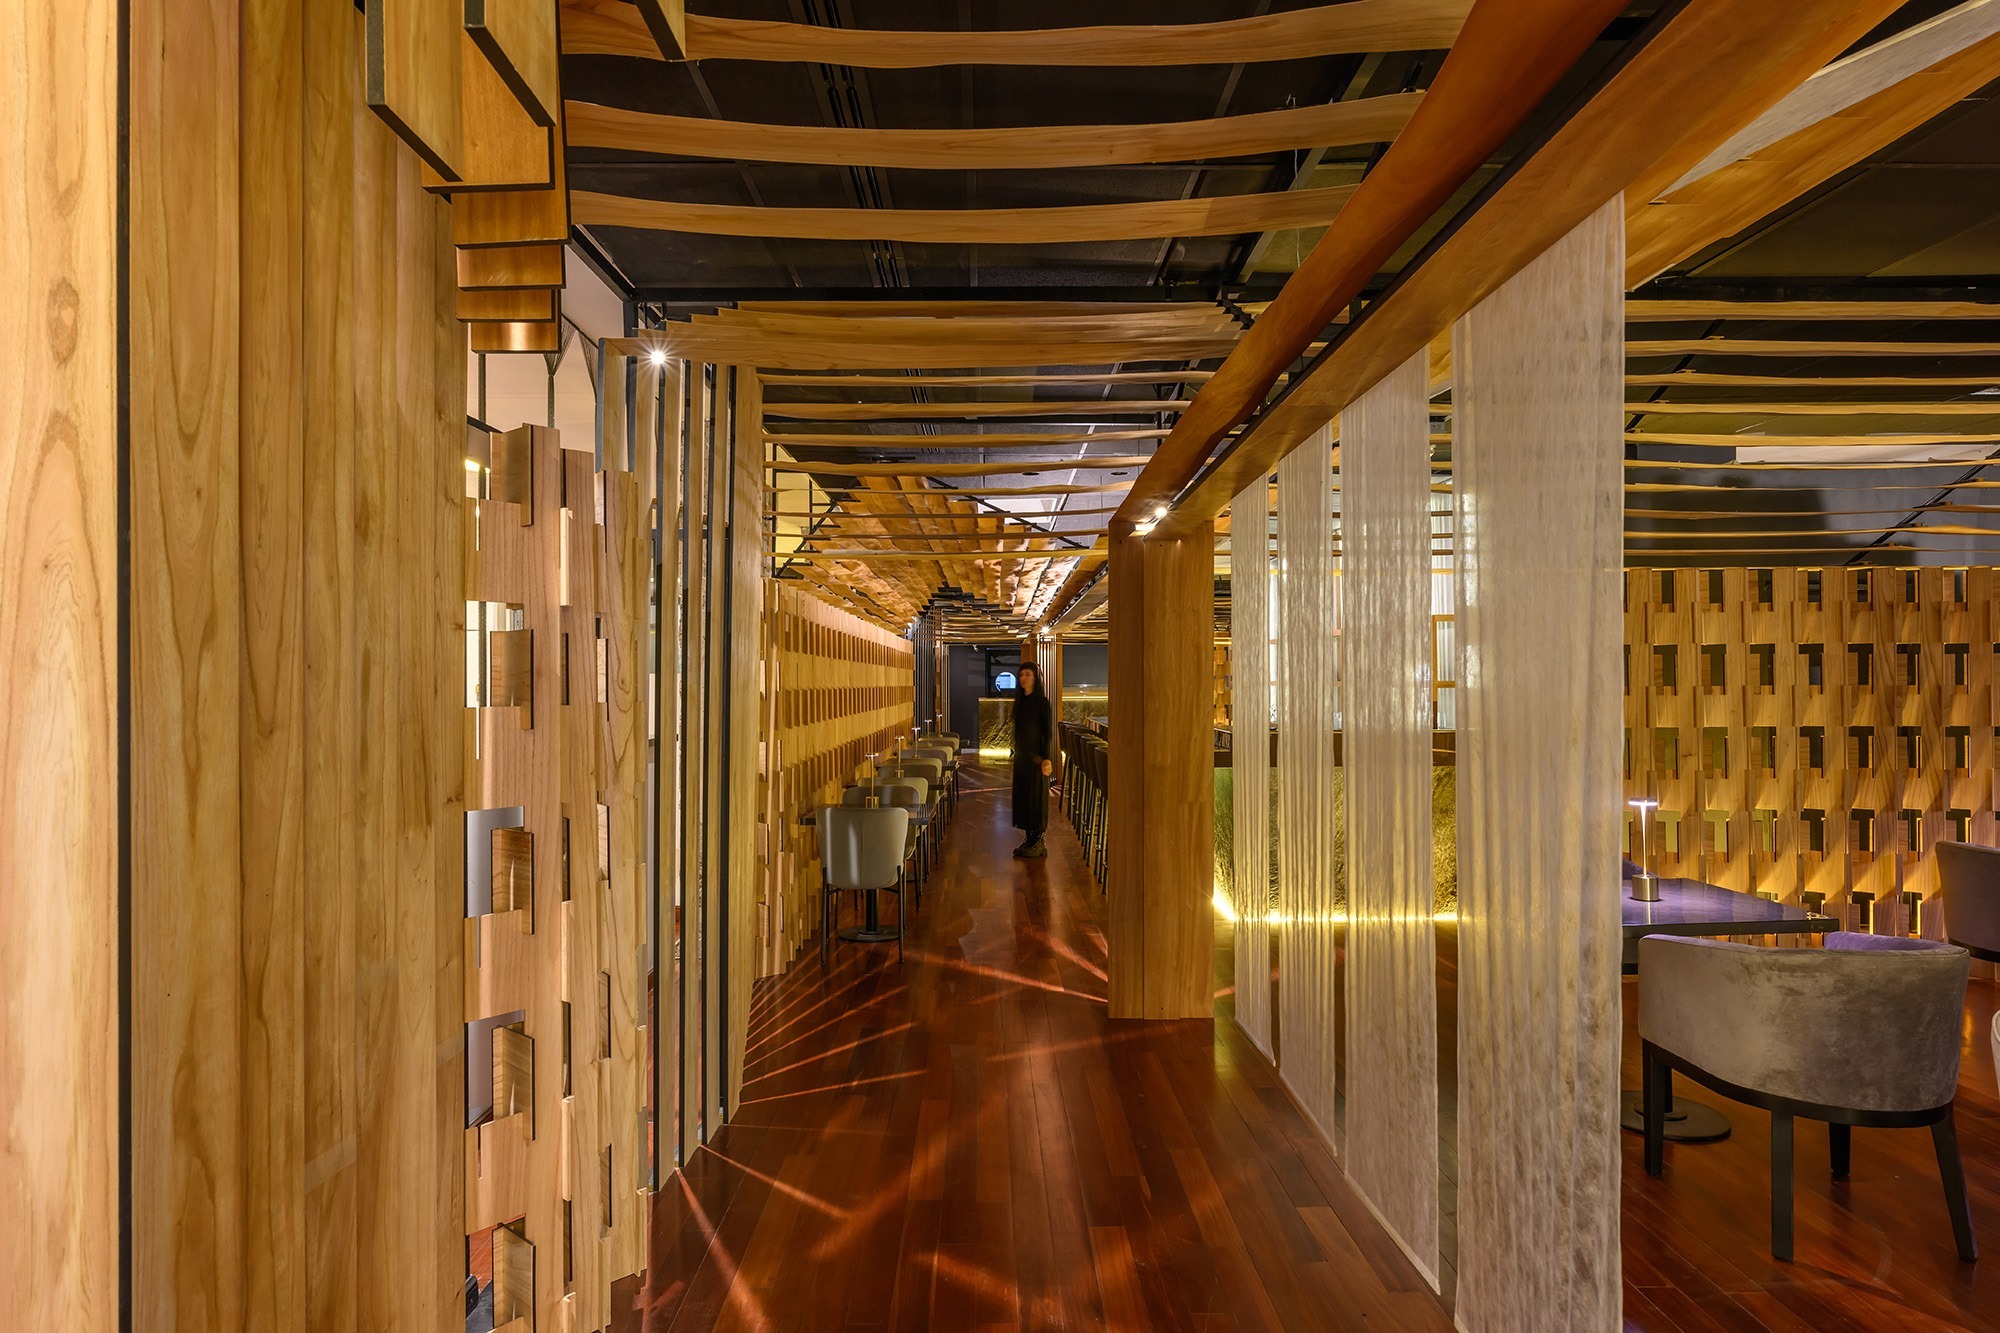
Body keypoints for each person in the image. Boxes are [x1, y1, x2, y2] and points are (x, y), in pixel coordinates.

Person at [1010, 662, 1055, 858]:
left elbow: (1047, 733)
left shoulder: (1042, 702)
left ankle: (1039, 841)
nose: (1024, 678)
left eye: (1028, 674)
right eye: (1021, 675)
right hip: (1022, 758)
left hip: (1037, 759)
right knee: (1024, 798)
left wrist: (1046, 758)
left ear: (1035, 678)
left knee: (1036, 799)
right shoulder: (1020, 703)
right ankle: (1029, 839)